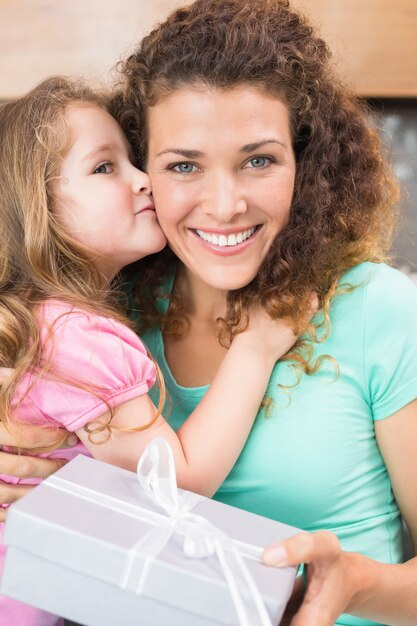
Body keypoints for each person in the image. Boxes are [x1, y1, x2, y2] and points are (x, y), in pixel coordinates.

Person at [1, 0, 417, 624]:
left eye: (259, 160)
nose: (224, 206)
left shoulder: (375, 308)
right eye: (184, 166)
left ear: (306, 162)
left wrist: (358, 585)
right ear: (147, 172)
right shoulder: (108, 316)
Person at [0, 75, 310, 626]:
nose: (145, 180)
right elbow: (180, 484)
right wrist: (256, 347)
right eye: (105, 167)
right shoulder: (77, 338)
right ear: (37, 209)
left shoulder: (31, 323)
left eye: (134, 159)